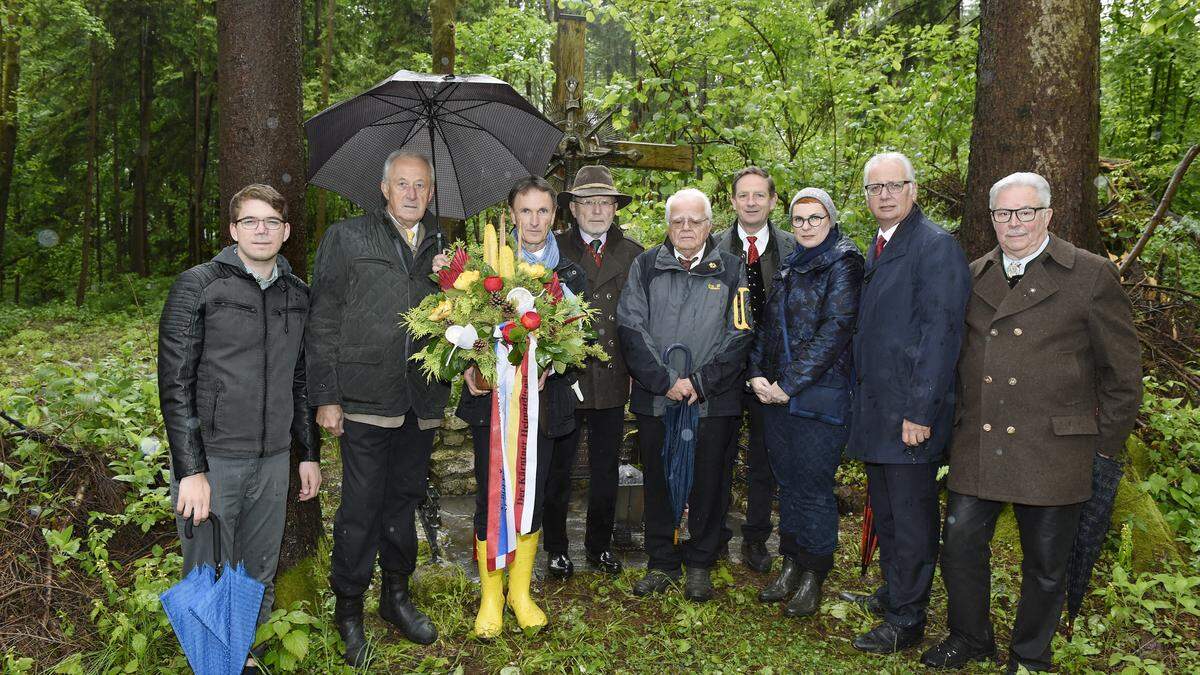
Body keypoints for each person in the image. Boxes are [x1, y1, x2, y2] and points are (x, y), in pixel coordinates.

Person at [921, 173, 1142, 673]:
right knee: (958, 549)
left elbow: (1122, 374)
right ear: (992, 218)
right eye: (1003, 214)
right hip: (981, 441)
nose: (1013, 223)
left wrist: (1102, 448)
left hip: (1055, 450)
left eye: (1025, 212)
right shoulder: (974, 275)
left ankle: (1030, 656)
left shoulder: (1090, 275)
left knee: (1046, 565)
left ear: (1047, 215)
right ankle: (970, 636)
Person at [158, 184, 320, 674]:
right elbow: (176, 380)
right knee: (206, 573)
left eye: (271, 222)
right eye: (250, 221)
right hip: (214, 460)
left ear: (286, 231)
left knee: (256, 573)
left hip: (272, 459)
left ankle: (240, 658)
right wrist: (191, 471)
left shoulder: (299, 295)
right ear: (233, 230)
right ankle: (212, 665)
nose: (261, 231)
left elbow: (301, 381)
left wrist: (308, 453)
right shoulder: (199, 286)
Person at [306, 151, 448, 664]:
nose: (412, 194)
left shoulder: (445, 247)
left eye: (421, 186)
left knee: (403, 501)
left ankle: (396, 597)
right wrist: (325, 395)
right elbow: (322, 317)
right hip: (365, 396)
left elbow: (462, 320)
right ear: (384, 189)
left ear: (431, 194)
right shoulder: (347, 238)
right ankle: (349, 609)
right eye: (402, 184)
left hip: (422, 398)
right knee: (361, 508)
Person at [843, 152, 971, 653]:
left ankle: (908, 618)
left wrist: (920, 411)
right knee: (889, 512)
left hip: (909, 416)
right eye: (875, 188)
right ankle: (895, 592)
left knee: (912, 518)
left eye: (894, 185)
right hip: (879, 410)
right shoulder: (882, 244)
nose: (885, 195)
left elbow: (941, 333)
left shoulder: (935, 246)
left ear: (913, 190)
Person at [455, 175, 588, 638]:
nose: (534, 220)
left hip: (545, 407)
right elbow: (459, 335)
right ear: (512, 215)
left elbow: (577, 340)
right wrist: (473, 369)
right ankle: (490, 597)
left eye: (543, 211)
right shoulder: (484, 271)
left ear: (556, 215)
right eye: (525, 211)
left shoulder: (569, 273)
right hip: (491, 405)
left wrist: (551, 362)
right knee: (490, 493)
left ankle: (520, 592)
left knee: (534, 492)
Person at [617, 188, 753, 602]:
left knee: (709, 483)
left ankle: (699, 563)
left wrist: (700, 382)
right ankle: (661, 561)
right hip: (658, 400)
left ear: (710, 225)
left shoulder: (732, 269)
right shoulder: (645, 266)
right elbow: (630, 327)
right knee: (658, 480)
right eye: (678, 221)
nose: (686, 228)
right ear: (668, 225)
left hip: (712, 402)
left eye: (695, 220)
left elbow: (741, 333)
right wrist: (665, 380)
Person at [748, 188, 863, 618]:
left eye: (816, 219)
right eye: (799, 220)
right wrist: (756, 372)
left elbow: (834, 333)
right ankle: (791, 561)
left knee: (814, 488)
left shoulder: (845, 263)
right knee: (789, 484)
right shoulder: (789, 266)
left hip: (820, 397)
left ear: (831, 220)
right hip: (776, 396)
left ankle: (815, 571)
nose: (807, 227)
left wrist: (788, 385)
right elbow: (766, 326)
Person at [548, 165, 643, 578]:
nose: (597, 210)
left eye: (605, 202)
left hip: (611, 377)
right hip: (563, 378)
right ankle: (556, 548)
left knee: (606, 469)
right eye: (588, 202)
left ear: (615, 208)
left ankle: (599, 546)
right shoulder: (552, 249)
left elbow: (641, 320)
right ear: (573, 208)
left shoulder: (634, 254)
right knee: (559, 468)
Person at [716, 167, 796, 573]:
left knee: (765, 460)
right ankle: (713, 534)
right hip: (725, 372)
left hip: (773, 376)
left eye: (759, 195)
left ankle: (756, 538)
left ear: (772, 200)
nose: (751, 202)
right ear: (731, 201)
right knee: (719, 455)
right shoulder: (713, 248)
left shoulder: (793, 247)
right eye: (743, 195)